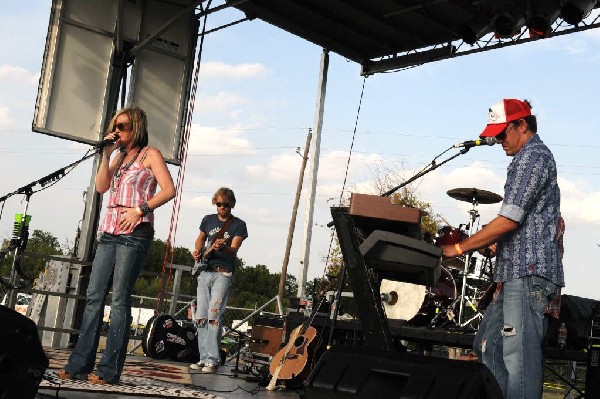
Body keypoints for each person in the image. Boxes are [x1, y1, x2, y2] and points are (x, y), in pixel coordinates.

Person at [441, 99, 564, 399]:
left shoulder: (533, 158)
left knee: (518, 357)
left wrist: (459, 247)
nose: (498, 141)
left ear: (522, 125)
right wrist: (496, 241)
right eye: (494, 135)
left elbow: (510, 218)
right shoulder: (525, 159)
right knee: (487, 344)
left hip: (528, 274)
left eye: (502, 133)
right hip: (514, 274)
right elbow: (525, 220)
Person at [58, 106, 176, 384]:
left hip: (135, 231)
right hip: (109, 229)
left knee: (119, 299)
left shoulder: (151, 154)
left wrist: (140, 209)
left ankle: (108, 370)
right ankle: (79, 365)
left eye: (122, 126)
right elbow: (101, 187)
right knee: (94, 297)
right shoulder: (119, 156)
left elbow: (169, 189)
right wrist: (106, 154)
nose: (117, 131)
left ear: (136, 127)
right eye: (115, 126)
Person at [190, 187, 247, 373]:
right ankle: (203, 357)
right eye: (219, 204)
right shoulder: (208, 220)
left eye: (226, 205)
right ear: (215, 203)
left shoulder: (239, 224)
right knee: (201, 317)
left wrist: (222, 248)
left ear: (232, 205)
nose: (222, 208)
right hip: (205, 270)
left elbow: (234, 249)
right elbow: (200, 238)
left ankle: (213, 359)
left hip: (223, 273)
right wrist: (197, 250)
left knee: (214, 316)